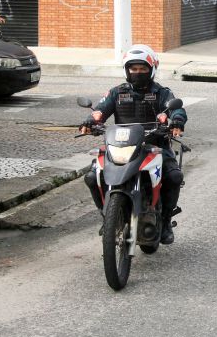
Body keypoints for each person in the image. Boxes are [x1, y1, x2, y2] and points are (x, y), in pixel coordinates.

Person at [79, 44, 187, 245]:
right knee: (92, 177)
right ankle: (108, 218)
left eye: (143, 69)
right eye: (133, 69)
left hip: (154, 146)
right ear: (127, 70)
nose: (138, 73)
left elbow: (176, 110)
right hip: (121, 146)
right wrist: (90, 121)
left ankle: (164, 222)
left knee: (174, 176)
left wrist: (177, 122)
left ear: (151, 69)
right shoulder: (117, 93)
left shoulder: (162, 93)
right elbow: (99, 111)